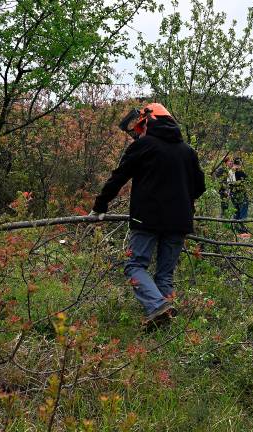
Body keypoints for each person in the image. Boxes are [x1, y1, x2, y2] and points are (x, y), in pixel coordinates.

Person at [90, 103, 206, 327]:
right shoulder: (188, 151)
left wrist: (100, 205)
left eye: (140, 126)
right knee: (165, 274)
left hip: (147, 219)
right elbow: (199, 187)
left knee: (134, 265)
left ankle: (157, 306)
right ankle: (164, 322)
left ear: (147, 122)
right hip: (179, 220)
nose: (138, 131)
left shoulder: (144, 146)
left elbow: (118, 177)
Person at [228, 158, 250, 236]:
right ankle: (242, 230)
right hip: (240, 194)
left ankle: (235, 228)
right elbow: (248, 180)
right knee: (243, 211)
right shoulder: (239, 172)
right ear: (239, 164)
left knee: (236, 211)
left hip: (233, 194)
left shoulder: (230, 171)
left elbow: (229, 183)